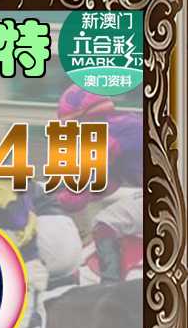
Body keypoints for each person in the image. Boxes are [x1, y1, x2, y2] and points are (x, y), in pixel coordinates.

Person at [55, 84, 143, 283]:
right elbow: (103, 187)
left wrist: (48, 200)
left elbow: (77, 196)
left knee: (104, 223)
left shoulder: (112, 133)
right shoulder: (122, 127)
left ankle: (110, 285)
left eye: (74, 125)